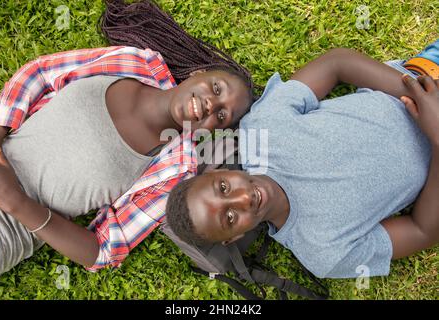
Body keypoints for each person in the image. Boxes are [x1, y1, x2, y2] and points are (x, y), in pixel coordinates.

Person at [0, 0, 254, 280]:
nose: (212, 105)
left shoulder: (174, 170)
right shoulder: (136, 62)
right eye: (216, 88)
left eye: (222, 115)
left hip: (2, 233)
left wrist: (16, 202)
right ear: (198, 74)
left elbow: (103, 250)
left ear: (213, 130)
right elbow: (40, 73)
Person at [165, 41, 439, 278]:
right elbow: (422, 231)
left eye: (224, 188)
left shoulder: (261, 130)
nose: (243, 199)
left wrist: (419, 97)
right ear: (233, 237)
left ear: (219, 172)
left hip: (424, 77)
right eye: (230, 217)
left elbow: (336, 63)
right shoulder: (323, 252)